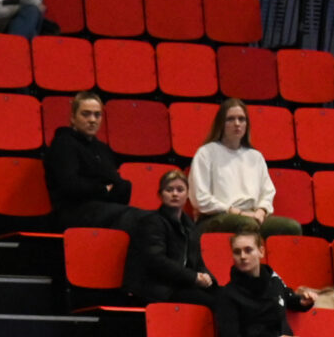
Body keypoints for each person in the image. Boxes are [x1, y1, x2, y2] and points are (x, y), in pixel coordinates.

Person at [190, 98, 300, 238]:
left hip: (252, 215)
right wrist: (236, 212)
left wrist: (261, 211)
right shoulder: (206, 153)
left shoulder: (255, 156)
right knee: (247, 224)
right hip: (216, 216)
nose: (237, 124)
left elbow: (267, 192)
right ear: (221, 123)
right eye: (230, 119)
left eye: (241, 119)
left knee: (291, 227)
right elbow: (200, 198)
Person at [43, 91, 134, 230]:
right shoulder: (63, 144)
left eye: (97, 115)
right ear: (73, 118)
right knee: (143, 220)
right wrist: (103, 188)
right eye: (86, 114)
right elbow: (70, 186)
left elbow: (119, 186)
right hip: (74, 212)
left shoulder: (102, 149)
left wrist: (109, 189)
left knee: (150, 219)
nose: (92, 120)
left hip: (103, 210)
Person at [127, 169, 214, 308]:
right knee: (212, 303)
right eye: (169, 190)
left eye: (180, 190)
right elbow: (157, 261)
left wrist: (207, 278)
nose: (175, 194)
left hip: (181, 284)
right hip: (159, 289)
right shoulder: (152, 222)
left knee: (225, 296)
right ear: (160, 195)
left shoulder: (190, 226)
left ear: (187, 195)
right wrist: (193, 277)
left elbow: (197, 261)